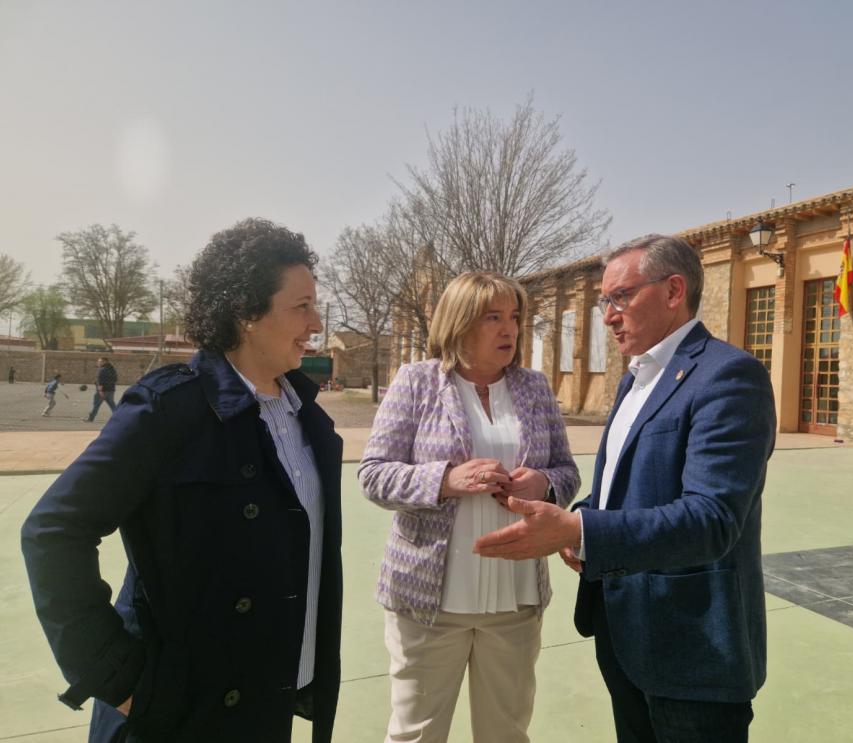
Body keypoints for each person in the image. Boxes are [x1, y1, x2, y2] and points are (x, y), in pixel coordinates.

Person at [22, 218, 344, 743]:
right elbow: (54, 529)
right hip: (175, 713)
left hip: (265, 698)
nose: (315, 324)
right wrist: (117, 678)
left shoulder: (306, 416)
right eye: (301, 307)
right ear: (246, 314)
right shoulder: (171, 407)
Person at [475, 234, 776, 743]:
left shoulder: (727, 377)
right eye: (604, 303)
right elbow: (627, 484)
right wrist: (581, 520)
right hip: (627, 635)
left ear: (674, 290)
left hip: (691, 649)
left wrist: (580, 528)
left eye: (621, 297)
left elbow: (713, 519)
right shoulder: (637, 378)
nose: (609, 315)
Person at [359, 271, 580, 743]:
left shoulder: (534, 388)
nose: (509, 330)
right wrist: (444, 479)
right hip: (428, 603)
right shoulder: (417, 382)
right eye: (493, 318)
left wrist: (544, 482)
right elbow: (373, 474)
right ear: (459, 324)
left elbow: (567, 471)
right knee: (415, 735)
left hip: (515, 601)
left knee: (506, 733)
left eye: (515, 318)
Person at [83, 356, 118, 421]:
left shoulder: (101, 369)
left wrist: (100, 390)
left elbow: (100, 381)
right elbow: (115, 379)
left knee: (96, 405)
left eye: (99, 361)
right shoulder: (113, 369)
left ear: (104, 362)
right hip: (111, 390)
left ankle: (90, 418)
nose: (98, 362)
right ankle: (119, 418)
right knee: (112, 405)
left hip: (102, 391)